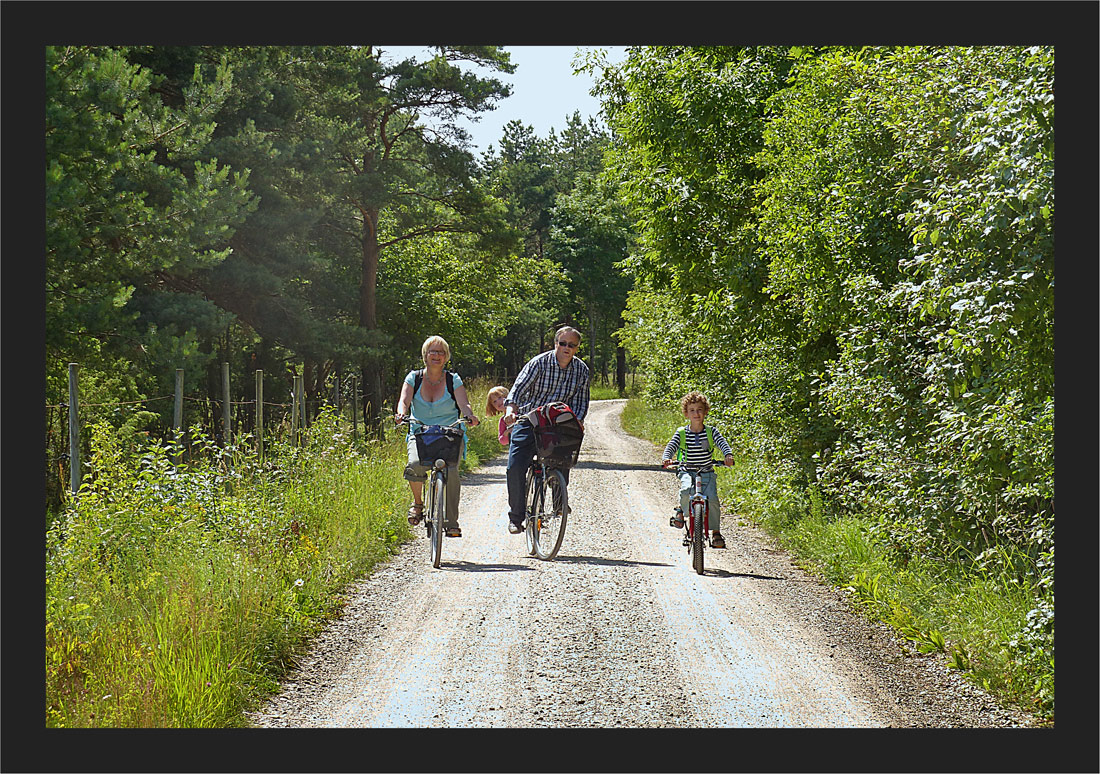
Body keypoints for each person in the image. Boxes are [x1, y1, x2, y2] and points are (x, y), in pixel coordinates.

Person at [501, 325, 591, 534]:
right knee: (515, 467)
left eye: (572, 345)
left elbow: (580, 404)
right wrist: (510, 411)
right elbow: (517, 391)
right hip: (530, 419)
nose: (566, 348)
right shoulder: (539, 363)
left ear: (577, 348)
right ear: (555, 343)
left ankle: (559, 499)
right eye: (563, 343)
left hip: (558, 423)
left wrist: (576, 423)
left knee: (563, 457)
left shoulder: (581, 370)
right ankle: (516, 517)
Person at [394, 335, 480, 538]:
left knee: (451, 471)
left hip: (449, 433)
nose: (437, 355)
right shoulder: (413, 378)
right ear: (425, 355)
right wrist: (401, 414)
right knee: (415, 464)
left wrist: (469, 416)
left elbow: (463, 404)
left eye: (441, 352)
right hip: (421, 433)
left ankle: (451, 522)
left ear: (446, 357)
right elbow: (403, 401)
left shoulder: (453, 380)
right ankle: (418, 504)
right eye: (432, 351)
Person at [660, 391, 734, 549]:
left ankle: (716, 533)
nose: (696, 413)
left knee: (713, 499)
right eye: (692, 410)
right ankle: (682, 511)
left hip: (706, 471)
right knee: (686, 489)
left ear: (706, 411)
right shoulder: (682, 433)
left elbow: (722, 444)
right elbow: (671, 447)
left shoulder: (711, 432)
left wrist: (728, 456)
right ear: (686, 413)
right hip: (687, 470)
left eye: (700, 409)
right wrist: (667, 458)